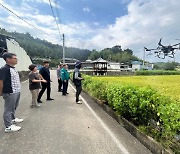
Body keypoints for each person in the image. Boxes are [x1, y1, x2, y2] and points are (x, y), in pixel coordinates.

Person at [0, 52, 23, 132]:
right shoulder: (4, 69)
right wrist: (1, 92)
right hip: (10, 92)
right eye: (14, 58)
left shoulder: (12, 68)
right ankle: (8, 126)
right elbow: (1, 81)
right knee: (8, 109)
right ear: (8, 59)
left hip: (16, 91)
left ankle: (12, 119)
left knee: (14, 107)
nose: (16, 59)